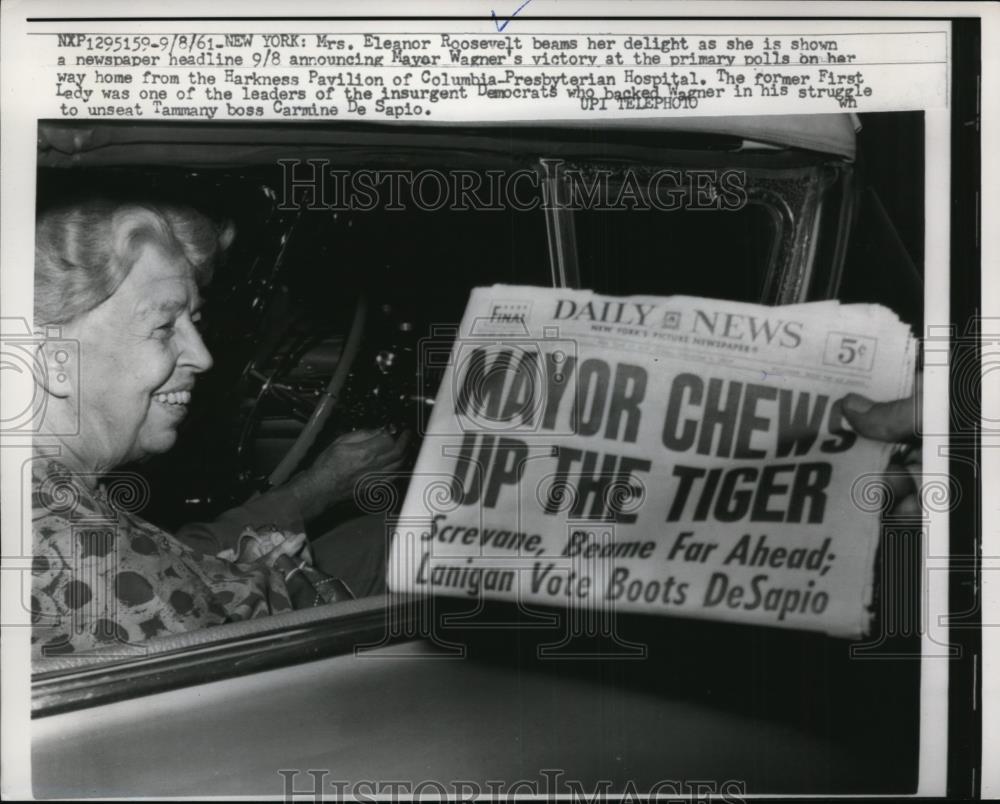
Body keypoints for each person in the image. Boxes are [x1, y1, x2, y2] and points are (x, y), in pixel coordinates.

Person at [30, 198, 406, 658]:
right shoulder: (85, 555)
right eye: (165, 325)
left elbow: (165, 580)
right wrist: (288, 583)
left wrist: (245, 571)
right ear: (55, 361)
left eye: (196, 321)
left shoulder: (53, 494)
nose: (204, 357)